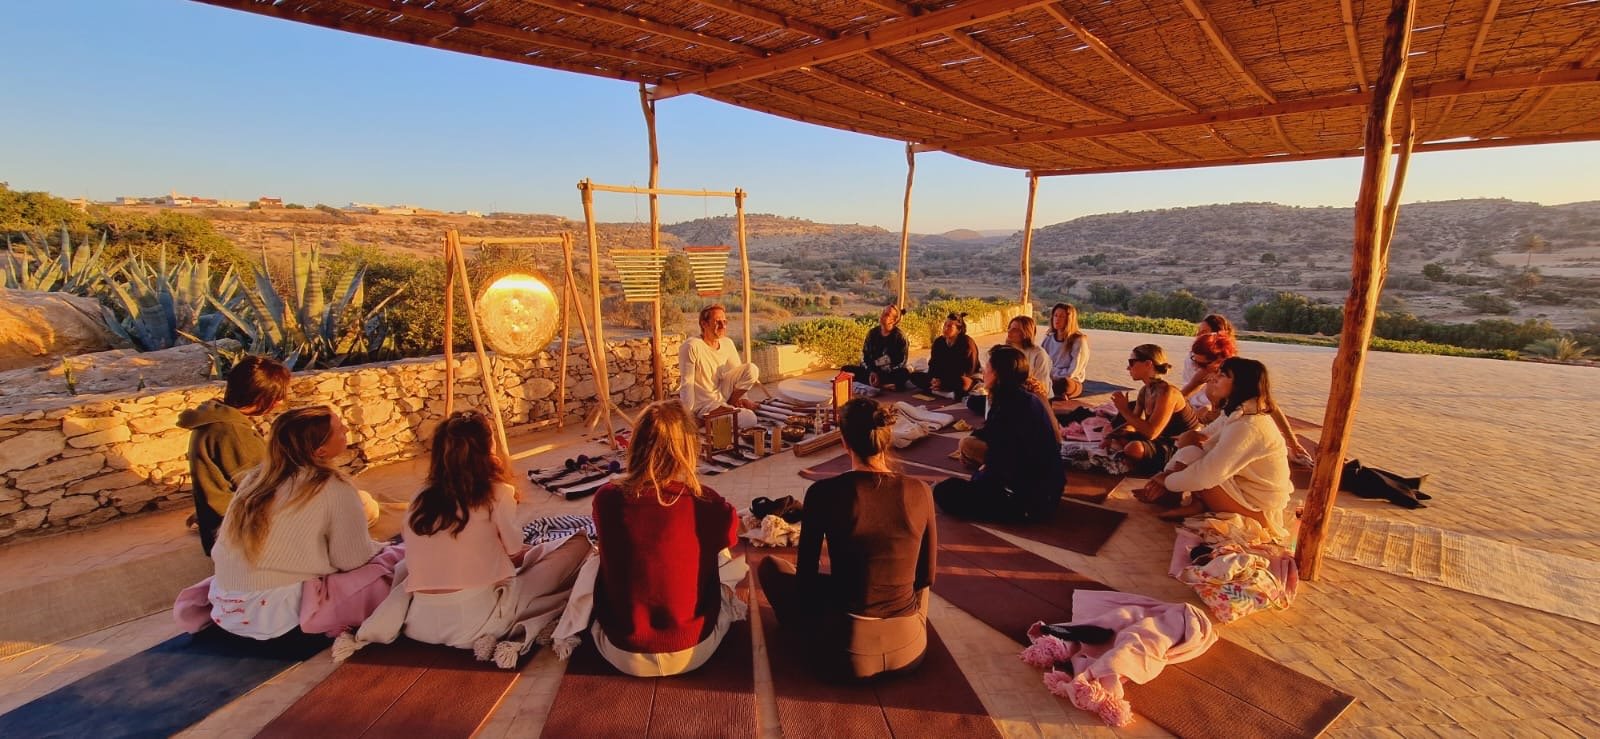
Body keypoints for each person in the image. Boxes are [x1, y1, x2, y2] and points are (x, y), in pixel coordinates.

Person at [349, 411, 591, 667]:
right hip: (475, 623)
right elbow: (514, 551)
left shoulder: (420, 496)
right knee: (580, 544)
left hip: (419, 621)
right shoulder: (497, 493)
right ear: (488, 447)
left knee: (534, 558)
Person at [178, 406, 401, 640]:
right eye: (338, 429)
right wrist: (383, 550)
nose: (346, 428)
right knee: (394, 568)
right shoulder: (332, 487)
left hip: (227, 608)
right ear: (320, 450)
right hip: (278, 617)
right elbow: (352, 561)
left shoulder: (256, 478)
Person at [758, 398, 937, 680]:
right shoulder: (920, 491)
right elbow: (925, 576)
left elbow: (806, 578)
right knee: (908, 588)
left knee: (771, 568)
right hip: (911, 650)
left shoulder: (823, 493)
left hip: (846, 655)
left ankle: (812, 633)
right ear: (887, 438)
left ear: (844, 442)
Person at [591, 401, 745, 677]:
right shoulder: (706, 503)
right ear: (688, 447)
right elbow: (731, 535)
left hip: (621, 651)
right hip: (694, 649)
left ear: (636, 445)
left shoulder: (607, 499)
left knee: (595, 560)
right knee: (721, 553)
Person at [1141, 358, 1295, 540]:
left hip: (1259, 505)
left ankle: (1260, 521)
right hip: (1240, 487)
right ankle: (1193, 501)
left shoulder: (1248, 426)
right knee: (1191, 447)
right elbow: (1200, 438)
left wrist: (1166, 480)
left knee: (1201, 473)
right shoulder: (1238, 413)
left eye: (1222, 376)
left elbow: (1203, 476)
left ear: (1240, 385)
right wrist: (1169, 473)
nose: (1213, 378)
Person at [934, 345, 1064, 522]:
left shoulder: (1010, 406)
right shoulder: (1022, 397)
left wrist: (981, 476)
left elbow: (1003, 461)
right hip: (1044, 490)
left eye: (987, 369)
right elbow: (993, 436)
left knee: (946, 492)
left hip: (1027, 499)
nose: (984, 373)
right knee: (960, 482)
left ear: (997, 374)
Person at [179, 355, 292, 556]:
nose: (279, 402)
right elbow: (267, 491)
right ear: (260, 397)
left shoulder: (213, 418)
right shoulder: (234, 434)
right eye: (276, 397)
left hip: (220, 525)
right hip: (241, 535)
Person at [1107, 344, 1201, 477]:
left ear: (1148, 364)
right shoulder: (1145, 391)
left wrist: (1123, 409)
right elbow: (1134, 424)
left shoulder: (1168, 393)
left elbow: (1151, 433)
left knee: (1133, 448)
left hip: (1180, 446)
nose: (1128, 367)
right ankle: (1130, 460)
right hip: (1161, 439)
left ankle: (1134, 462)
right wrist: (1111, 435)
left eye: (1132, 362)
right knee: (1115, 436)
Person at [679, 304, 761, 428]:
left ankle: (730, 406)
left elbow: (737, 372)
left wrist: (743, 398)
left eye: (724, 321)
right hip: (704, 403)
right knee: (750, 418)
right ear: (704, 324)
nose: (723, 326)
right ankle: (706, 418)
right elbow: (687, 384)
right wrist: (689, 417)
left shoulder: (727, 343)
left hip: (722, 393)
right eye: (718, 322)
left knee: (752, 369)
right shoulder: (691, 346)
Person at [909, 311, 981, 399]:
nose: (945, 329)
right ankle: (941, 390)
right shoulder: (939, 342)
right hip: (941, 378)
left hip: (960, 378)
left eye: (949, 326)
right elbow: (933, 365)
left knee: (963, 383)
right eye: (945, 325)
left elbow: (968, 371)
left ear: (959, 330)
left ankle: (937, 389)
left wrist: (943, 381)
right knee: (914, 376)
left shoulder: (967, 343)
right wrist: (934, 380)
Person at [844, 304, 910, 391]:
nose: (882, 315)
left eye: (887, 314)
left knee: (904, 374)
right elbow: (864, 356)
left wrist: (879, 375)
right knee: (845, 369)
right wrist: (871, 372)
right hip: (871, 371)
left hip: (888, 373)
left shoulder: (900, 337)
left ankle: (875, 382)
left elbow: (901, 362)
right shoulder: (872, 333)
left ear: (893, 321)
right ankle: (883, 384)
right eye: (883, 312)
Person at [1040, 303, 1091, 400]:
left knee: (1064, 384)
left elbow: (1073, 371)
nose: (1057, 319)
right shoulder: (1048, 338)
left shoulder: (1078, 340)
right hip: (1049, 377)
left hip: (1068, 380)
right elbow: (1042, 362)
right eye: (1055, 315)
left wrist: (1053, 374)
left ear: (1069, 320)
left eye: (1062, 316)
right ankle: (1053, 393)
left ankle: (1053, 392)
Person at [1180, 332, 1238, 415]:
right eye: (1194, 360)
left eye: (1202, 364)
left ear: (1221, 359)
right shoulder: (1204, 372)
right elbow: (1182, 396)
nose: (1198, 367)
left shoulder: (1235, 376)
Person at [1005, 315, 1053, 390]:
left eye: (1015, 330)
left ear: (1026, 332)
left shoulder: (1038, 354)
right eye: (1009, 328)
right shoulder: (1005, 351)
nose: (1009, 331)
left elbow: (1042, 385)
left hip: (1034, 396)